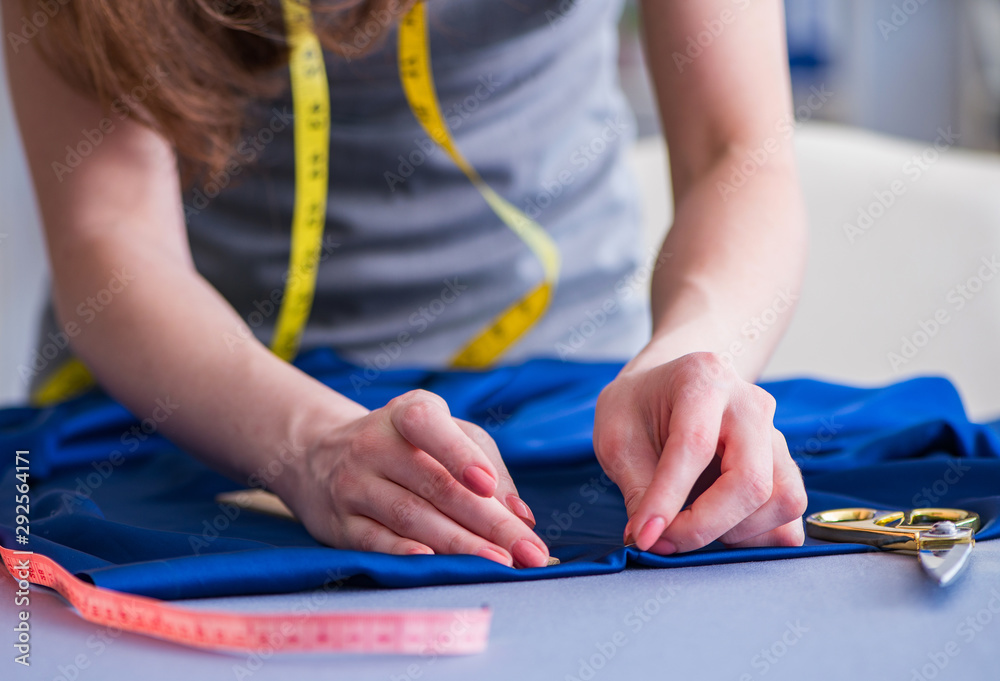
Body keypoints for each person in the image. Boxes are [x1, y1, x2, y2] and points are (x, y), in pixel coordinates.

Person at [5, 0, 808, 569]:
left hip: (565, 388)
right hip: (177, 404)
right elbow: (114, 233)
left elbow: (736, 154)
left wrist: (700, 351)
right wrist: (309, 445)